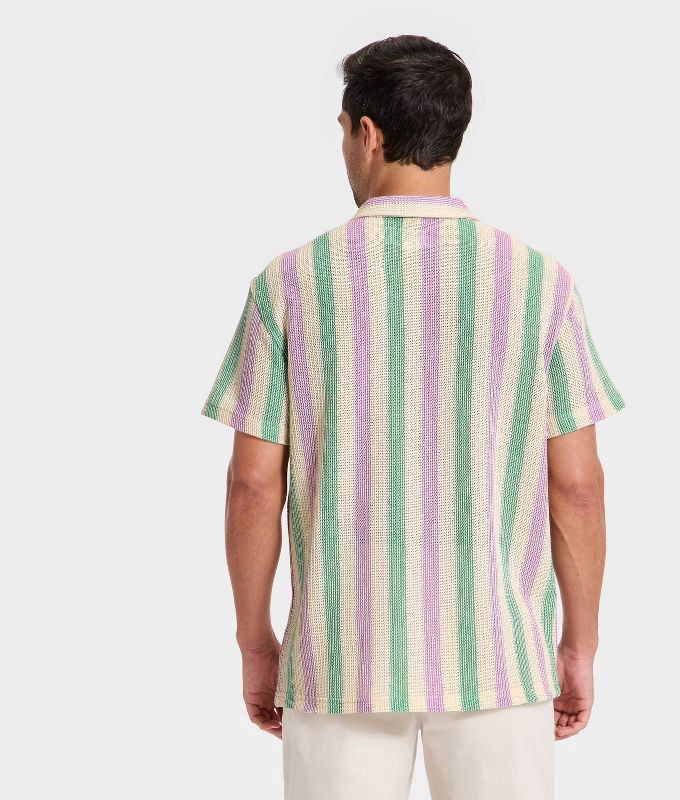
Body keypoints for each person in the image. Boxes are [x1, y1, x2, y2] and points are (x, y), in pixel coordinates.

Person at [200, 33, 625, 800]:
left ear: (368, 132)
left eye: (342, 131)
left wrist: (257, 641)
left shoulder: (288, 284)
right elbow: (577, 488)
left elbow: (253, 487)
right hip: (498, 656)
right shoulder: (541, 285)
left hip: (343, 658)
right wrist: (579, 645)